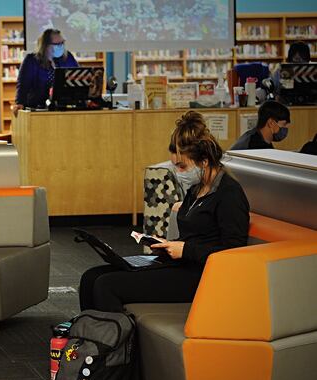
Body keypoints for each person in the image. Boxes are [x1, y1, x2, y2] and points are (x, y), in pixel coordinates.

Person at [79, 111, 249, 312]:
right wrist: (167, 246)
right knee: (91, 277)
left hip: (203, 276)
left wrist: (185, 250)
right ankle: (90, 337)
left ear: (204, 161)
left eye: (182, 166)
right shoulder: (196, 189)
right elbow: (194, 235)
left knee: (106, 285)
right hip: (183, 265)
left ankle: (115, 341)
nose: (178, 172)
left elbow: (234, 252)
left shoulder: (229, 193)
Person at [13, 28, 79, 113]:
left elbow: (77, 76)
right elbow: (23, 85)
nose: (61, 46)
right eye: (57, 44)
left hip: (63, 108)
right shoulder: (31, 60)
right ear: (46, 45)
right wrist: (19, 103)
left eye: (62, 43)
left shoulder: (67, 57)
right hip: (36, 108)